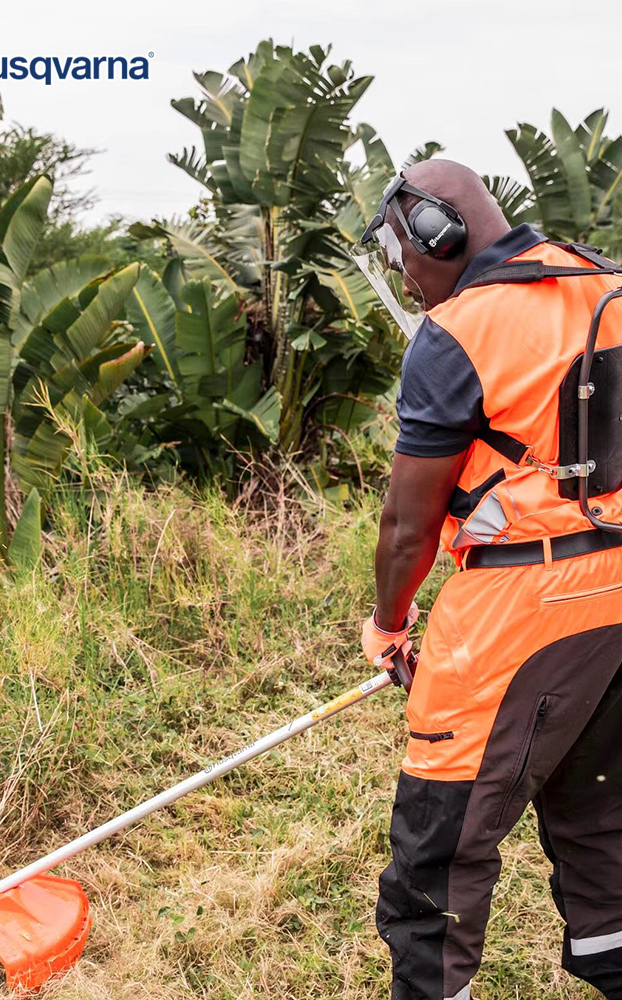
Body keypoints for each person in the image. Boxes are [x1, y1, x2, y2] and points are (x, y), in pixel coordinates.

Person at [358, 159, 622, 1000]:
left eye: (406, 254)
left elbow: (407, 526)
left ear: (441, 233)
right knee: (603, 817)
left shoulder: (460, 332)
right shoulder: (604, 281)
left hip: (521, 612)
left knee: (436, 852)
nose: (407, 274)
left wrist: (389, 624)